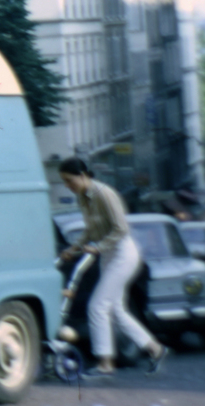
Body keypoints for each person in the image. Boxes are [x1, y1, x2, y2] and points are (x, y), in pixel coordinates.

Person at [56, 157, 167, 376]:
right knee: (116, 310)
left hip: (123, 253)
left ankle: (105, 364)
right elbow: (90, 230)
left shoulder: (105, 194)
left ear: (82, 175)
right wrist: (74, 248)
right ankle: (155, 349)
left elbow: (121, 229)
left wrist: (97, 247)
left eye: (69, 181)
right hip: (107, 253)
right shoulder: (83, 198)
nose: (68, 186)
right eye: (64, 182)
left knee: (97, 306)